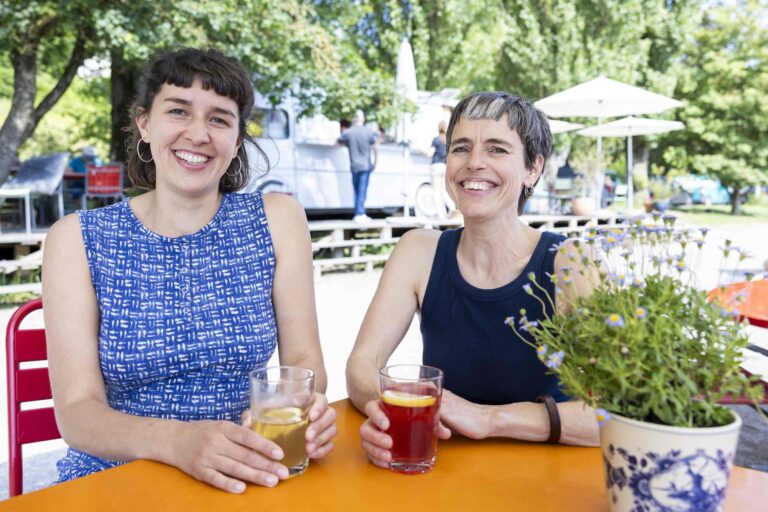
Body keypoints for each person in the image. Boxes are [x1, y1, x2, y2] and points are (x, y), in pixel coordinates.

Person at [42, 48, 336, 494]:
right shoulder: (76, 239)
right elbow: (78, 415)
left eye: (219, 119)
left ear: (237, 139)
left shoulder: (278, 219)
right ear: (144, 123)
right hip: (113, 480)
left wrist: (306, 408)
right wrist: (179, 442)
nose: (198, 133)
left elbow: (305, 364)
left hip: (244, 471)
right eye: (178, 111)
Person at [346, 92, 600, 469]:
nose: (474, 163)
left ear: (533, 169)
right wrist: (385, 411)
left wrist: (487, 419)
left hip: (548, 481)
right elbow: (361, 365)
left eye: (497, 149)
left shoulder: (569, 261)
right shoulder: (419, 250)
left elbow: (615, 410)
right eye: (461, 148)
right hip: (440, 472)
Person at [338, 110, 378, 223]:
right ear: (363, 119)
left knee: (356, 190)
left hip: (354, 165)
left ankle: (358, 213)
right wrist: (375, 162)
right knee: (362, 190)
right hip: (365, 165)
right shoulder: (368, 132)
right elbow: (375, 146)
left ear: (354, 119)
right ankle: (360, 213)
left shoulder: (349, 132)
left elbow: (338, 142)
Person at [428, 120, 455, 218]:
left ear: (438, 128)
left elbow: (430, 153)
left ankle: (441, 215)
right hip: (444, 167)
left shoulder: (436, 140)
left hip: (436, 167)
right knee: (444, 190)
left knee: (436, 192)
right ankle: (452, 207)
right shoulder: (448, 141)